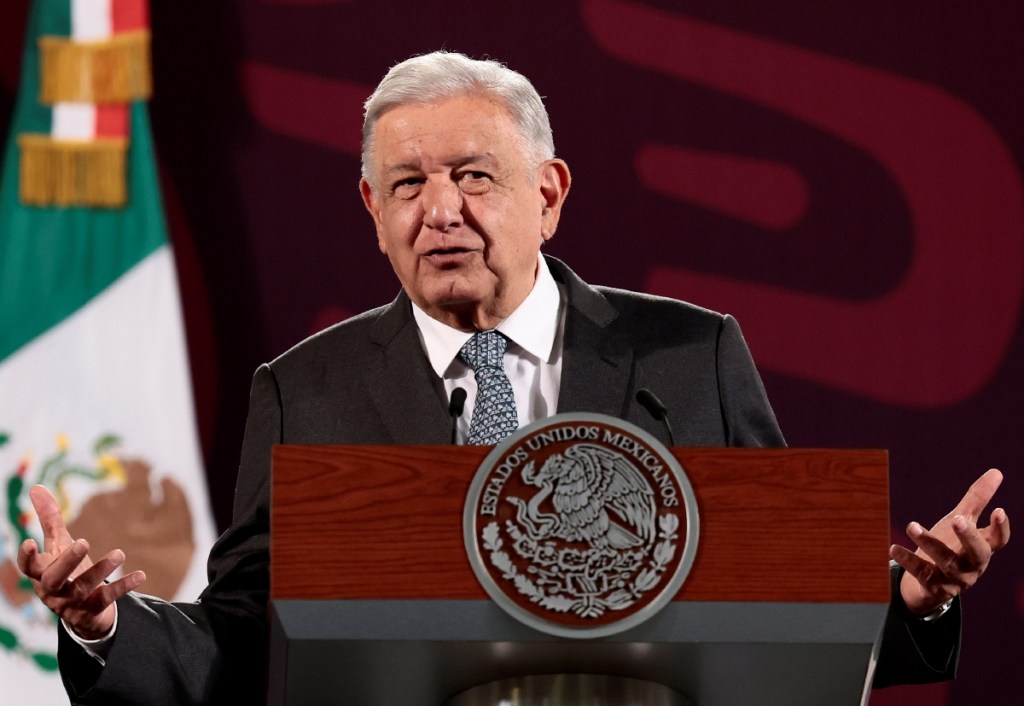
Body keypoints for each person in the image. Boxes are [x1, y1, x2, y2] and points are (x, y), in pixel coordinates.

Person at [17, 51, 1010, 704]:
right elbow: (242, 644)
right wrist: (106, 624)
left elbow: (787, 600)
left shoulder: (687, 356)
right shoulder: (304, 390)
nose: (440, 209)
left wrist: (912, 595)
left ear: (548, 193)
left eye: (474, 175)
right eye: (407, 183)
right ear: (370, 204)